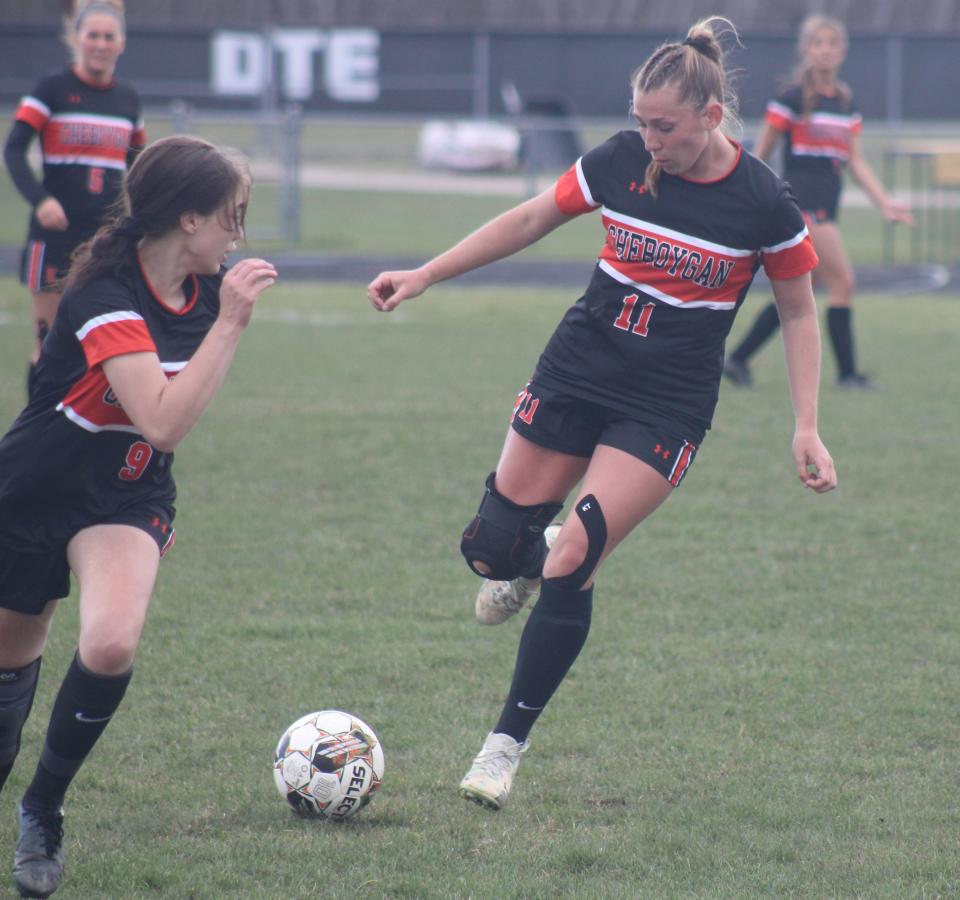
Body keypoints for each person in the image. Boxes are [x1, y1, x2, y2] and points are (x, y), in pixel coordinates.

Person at [368, 17, 837, 813]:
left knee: (576, 555)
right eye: (642, 122)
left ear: (711, 117)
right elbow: (527, 220)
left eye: (666, 126)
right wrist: (426, 273)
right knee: (491, 551)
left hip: (665, 403)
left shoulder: (764, 202)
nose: (650, 140)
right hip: (578, 369)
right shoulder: (620, 161)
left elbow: (797, 311)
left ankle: (501, 749)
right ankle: (528, 552)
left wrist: (805, 424)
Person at [0, 135, 277, 898]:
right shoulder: (102, 297)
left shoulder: (204, 294)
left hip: (125, 496)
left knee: (112, 642)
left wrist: (223, 319)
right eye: (232, 216)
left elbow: (153, 443)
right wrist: (231, 326)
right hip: (32, 494)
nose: (238, 233)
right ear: (187, 219)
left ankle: (42, 810)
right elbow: (160, 417)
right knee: (9, 672)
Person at [723, 14, 913, 391]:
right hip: (804, 206)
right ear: (806, 50)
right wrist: (750, 199)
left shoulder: (845, 101)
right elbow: (760, 154)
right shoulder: (792, 98)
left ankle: (739, 358)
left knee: (797, 293)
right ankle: (847, 375)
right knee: (843, 282)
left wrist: (885, 203)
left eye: (832, 43)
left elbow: (854, 160)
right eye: (818, 43)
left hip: (829, 204)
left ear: (842, 51)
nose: (825, 50)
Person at [3, 0, 145, 398]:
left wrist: (138, 221)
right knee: (48, 344)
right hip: (54, 239)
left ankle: (78, 431)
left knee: (96, 344)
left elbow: (138, 166)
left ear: (122, 43)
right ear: (77, 39)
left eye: (108, 36)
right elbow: (13, 150)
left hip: (103, 243)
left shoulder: (128, 100)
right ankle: (36, 433)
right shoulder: (53, 88)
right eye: (92, 35)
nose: (100, 44)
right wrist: (41, 200)